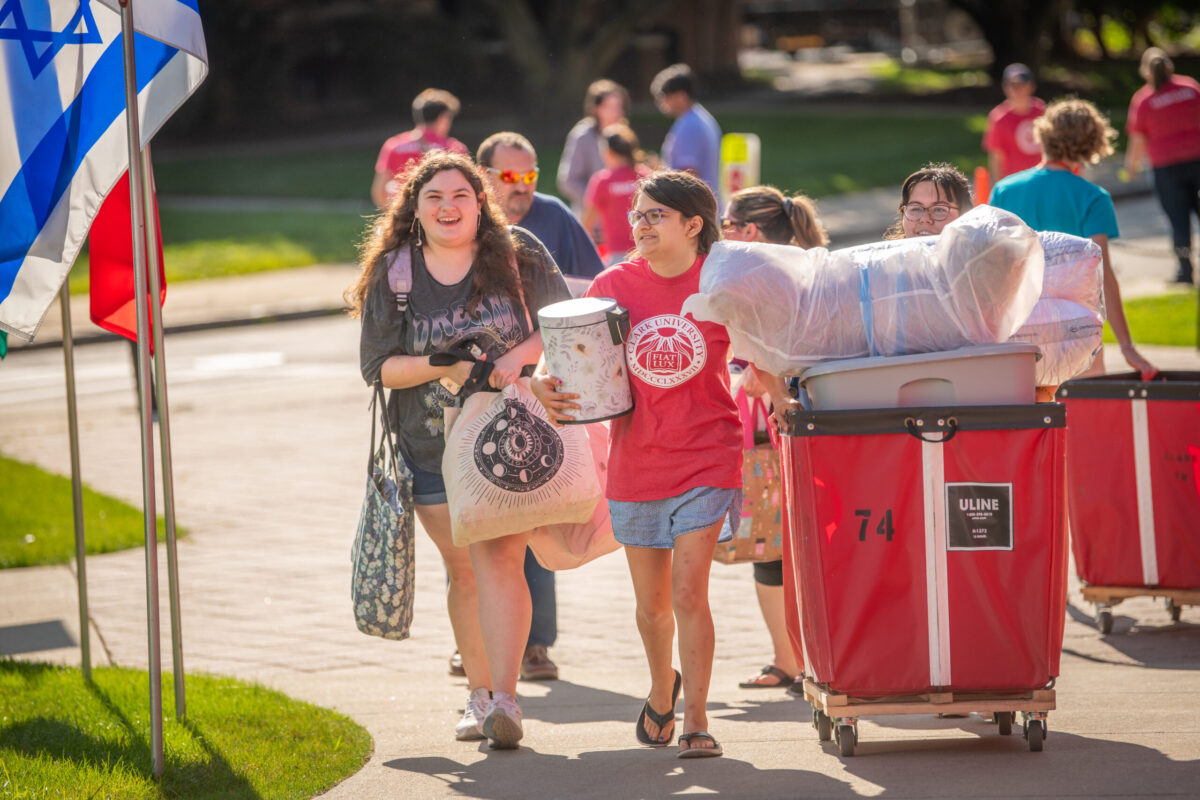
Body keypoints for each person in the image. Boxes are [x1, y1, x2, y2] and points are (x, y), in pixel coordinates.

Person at [348, 151, 572, 749]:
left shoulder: (517, 252)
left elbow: (560, 321)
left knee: (500, 563)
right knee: (464, 573)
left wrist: (516, 358)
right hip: (427, 447)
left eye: (460, 196)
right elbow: (377, 367)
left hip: (509, 443)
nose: (448, 207)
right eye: (433, 198)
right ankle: (478, 696)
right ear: (414, 211)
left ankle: (506, 701)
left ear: (480, 203)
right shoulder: (396, 274)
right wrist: (436, 364)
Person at [532, 171, 741, 758]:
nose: (640, 225)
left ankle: (698, 721)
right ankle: (660, 690)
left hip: (708, 453)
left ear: (692, 225)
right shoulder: (614, 284)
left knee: (687, 594)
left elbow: (769, 345)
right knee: (651, 606)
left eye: (655, 216)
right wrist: (546, 386)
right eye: (638, 216)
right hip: (637, 461)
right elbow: (566, 362)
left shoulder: (722, 281)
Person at [719, 186, 827, 692]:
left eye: (726, 225)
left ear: (749, 233)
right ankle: (818, 653)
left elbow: (759, 356)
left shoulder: (755, 276)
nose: (722, 235)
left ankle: (789, 659)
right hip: (824, 415)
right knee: (816, 543)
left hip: (772, 424)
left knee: (771, 545)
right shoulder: (815, 269)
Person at [991, 98, 1157, 379]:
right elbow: (1102, 272)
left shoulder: (1004, 191)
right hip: (1078, 329)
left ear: (1043, 134)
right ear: (1093, 144)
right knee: (1081, 415)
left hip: (1019, 327)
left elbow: (994, 268)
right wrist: (1126, 346)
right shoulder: (1093, 197)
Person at [478, 132, 605, 280]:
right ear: (483, 174)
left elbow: (595, 281)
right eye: (510, 177)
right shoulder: (470, 220)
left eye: (530, 176)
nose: (522, 187)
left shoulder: (555, 215)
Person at [1124, 47, 1200, 285]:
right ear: (1169, 67)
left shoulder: (1144, 99)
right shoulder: (1189, 88)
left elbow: (1138, 139)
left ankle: (1185, 272)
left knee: (1178, 221)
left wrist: (1131, 167)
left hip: (1166, 168)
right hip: (1197, 160)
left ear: (1146, 72)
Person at [371, 88, 469, 208]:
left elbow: (379, 192)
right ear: (443, 117)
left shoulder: (394, 145)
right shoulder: (453, 149)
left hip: (403, 212)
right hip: (439, 214)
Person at [557, 79, 630, 215]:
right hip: (592, 220)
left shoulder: (624, 134)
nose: (617, 113)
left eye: (619, 107)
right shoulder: (582, 136)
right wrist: (598, 198)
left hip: (621, 216)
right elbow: (568, 181)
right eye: (610, 107)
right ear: (596, 109)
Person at [651, 64, 722, 200]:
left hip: (695, 208)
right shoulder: (699, 117)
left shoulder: (690, 125)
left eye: (664, 96)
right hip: (706, 205)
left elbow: (688, 175)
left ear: (681, 96)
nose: (661, 102)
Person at [582, 124, 651, 265]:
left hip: (617, 255)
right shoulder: (646, 176)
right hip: (648, 249)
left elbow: (586, 224)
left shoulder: (603, 181)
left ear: (608, 152)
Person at [983, 64, 1046, 183]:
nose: (1016, 90)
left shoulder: (1042, 111)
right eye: (1012, 85)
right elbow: (996, 158)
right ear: (1005, 88)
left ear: (1031, 86)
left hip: (1042, 180)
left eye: (1021, 85)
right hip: (1015, 183)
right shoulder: (999, 118)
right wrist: (999, 187)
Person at [883, 162, 973, 240]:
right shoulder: (888, 259)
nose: (925, 219)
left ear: (964, 215)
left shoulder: (980, 258)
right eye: (916, 209)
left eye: (939, 209)